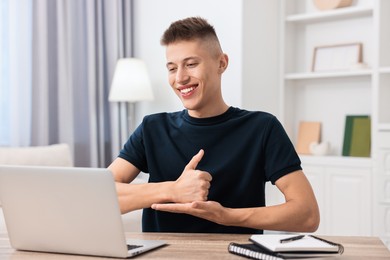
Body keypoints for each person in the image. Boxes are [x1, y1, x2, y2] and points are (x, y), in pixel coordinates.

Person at [108, 16, 320, 234]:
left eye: (191, 64)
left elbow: (307, 215)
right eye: (172, 68)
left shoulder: (262, 128)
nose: (180, 78)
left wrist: (227, 216)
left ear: (222, 63)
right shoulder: (152, 128)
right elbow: (103, 196)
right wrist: (173, 189)